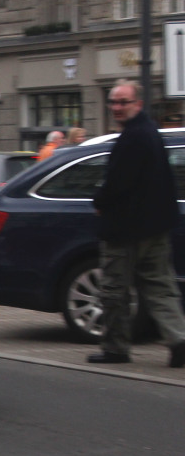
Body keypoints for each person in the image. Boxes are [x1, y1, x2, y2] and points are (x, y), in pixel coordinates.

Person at [88, 79, 185, 367]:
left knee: (114, 291)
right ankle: (178, 339)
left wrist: (100, 203)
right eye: (113, 102)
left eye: (123, 102)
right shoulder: (151, 132)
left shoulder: (133, 137)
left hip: (125, 230)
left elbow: (118, 183)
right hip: (154, 228)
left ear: (138, 104)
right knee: (160, 287)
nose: (117, 108)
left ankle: (116, 348)